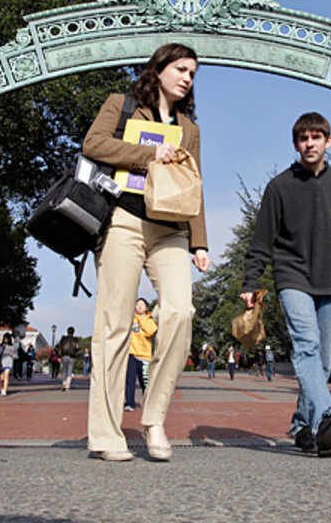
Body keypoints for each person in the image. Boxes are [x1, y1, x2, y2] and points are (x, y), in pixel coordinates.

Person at [82, 43, 210, 462]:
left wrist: (200, 241)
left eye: (193, 72)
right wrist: (148, 154)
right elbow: (93, 144)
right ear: (159, 70)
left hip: (171, 229)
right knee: (114, 323)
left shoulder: (189, 128)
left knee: (179, 311)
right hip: (124, 220)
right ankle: (105, 433)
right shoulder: (121, 106)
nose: (188, 77)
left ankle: (153, 419)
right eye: (181, 68)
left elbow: (196, 182)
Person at [241, 112, 331, 458]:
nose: (309, 144)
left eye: (316, 137)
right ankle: (327, 418)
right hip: (292, 277)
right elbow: (261, 240)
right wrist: (252, 279)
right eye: (303, 138)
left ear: (328, 141)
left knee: (322, 361)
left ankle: (302, 426)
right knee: (306, 347)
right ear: (295, 145)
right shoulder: (279, 187)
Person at [125, 298, 157, 411]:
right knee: (130, 380)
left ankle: (148, 402)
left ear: (146, 308)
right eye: (137, 305)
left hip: (144, 356)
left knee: (145, 382)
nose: (139, 307)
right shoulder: (130, 318)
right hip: (131, 354)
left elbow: (150, 332)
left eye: (142, 305)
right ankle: (129, 403)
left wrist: (141, 319)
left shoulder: (150, 320)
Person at [58, 327, 80, 391]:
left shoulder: (63, 339)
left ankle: (64, 383)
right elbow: (77, 348)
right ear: (73, 332)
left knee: (64, 370)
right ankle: (68, 386)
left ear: (67, 332)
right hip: (72, 356)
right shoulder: (75, 339)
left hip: (64, 355)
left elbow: (60, 348)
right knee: (70, 372)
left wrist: (59, 356)